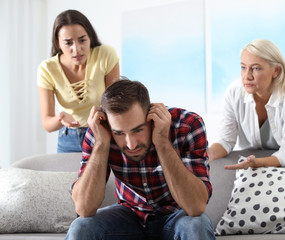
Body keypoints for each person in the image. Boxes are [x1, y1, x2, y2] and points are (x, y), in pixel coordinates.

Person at [66, 79, 215, 239]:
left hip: (176, 215)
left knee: (196, 225)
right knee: (81, 227)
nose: (130, 144)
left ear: (150, 116)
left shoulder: (188, 125)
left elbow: (196, 207)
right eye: (119, 133)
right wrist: (102, 143)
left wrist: (163, 142)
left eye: (137, 130)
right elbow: (84, 209)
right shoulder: (100, 131)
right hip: (128, 216)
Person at [208, 39, 285, 170]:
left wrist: (257, 163)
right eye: (243, 67)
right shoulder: (234, 93)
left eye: (256, 68)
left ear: (276, 71)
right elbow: (226, 141)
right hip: (258, 159)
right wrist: (205, 156)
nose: (247, 76)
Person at [37, 9, 120, 153]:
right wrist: (60, 119)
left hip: (102, 132)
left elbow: (114, 105)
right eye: (68, 43)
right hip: (68, 138)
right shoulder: (47, 69)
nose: (77, 49)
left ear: (90, 37)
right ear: (58, 43)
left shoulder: (106, 55)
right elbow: (47, 123)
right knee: (66, 177)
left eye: (82, 40)